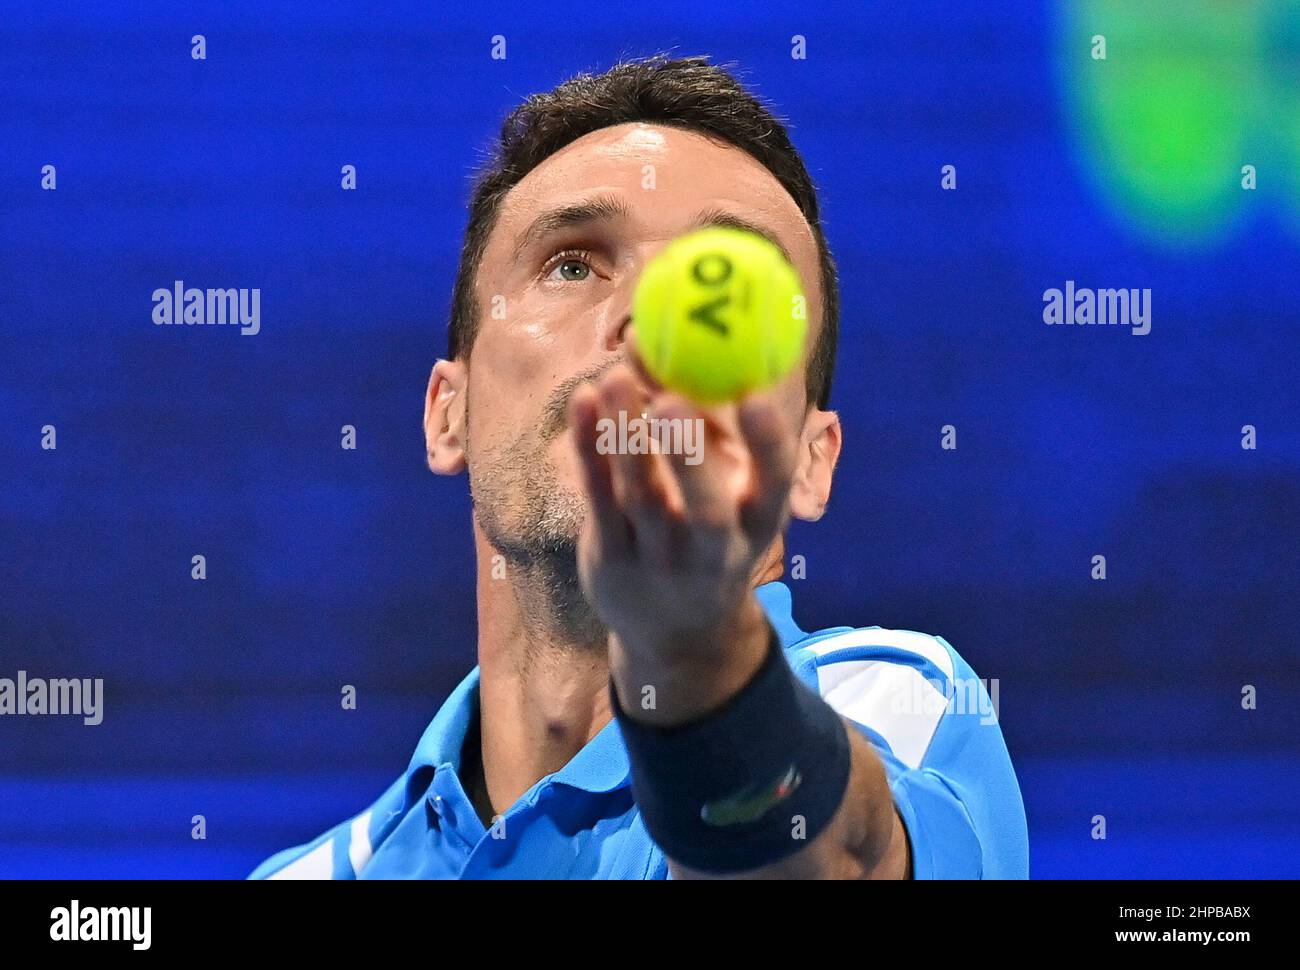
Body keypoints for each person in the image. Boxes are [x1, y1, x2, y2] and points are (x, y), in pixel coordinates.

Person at [249, 54, 1028, 880]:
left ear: (811, 458)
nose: (647, 324)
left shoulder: (900, 698)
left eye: (722, 292)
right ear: (450, 411)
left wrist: (700, 664)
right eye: (573, 264)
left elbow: (836, 857)